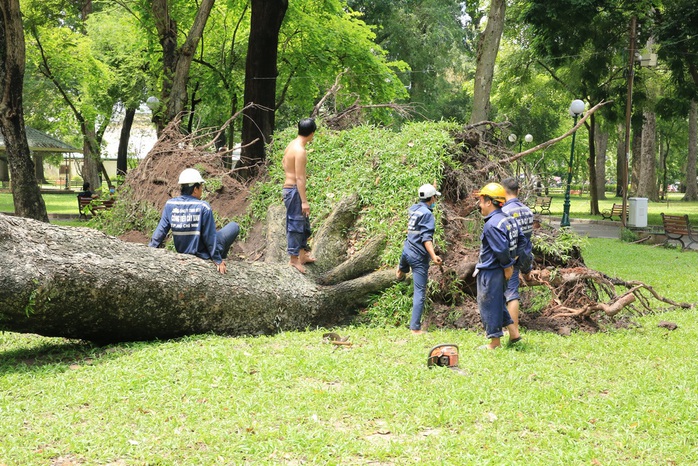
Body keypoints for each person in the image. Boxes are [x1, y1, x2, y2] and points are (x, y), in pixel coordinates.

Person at [148, 168, 240, 275]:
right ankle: (222, 259)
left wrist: (150, 250)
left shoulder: (170, 205)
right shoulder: (203, 207)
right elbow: (209, 237)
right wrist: (217, 260)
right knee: (234, 226)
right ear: (195, 189)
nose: (202, 190)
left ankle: (222, 257)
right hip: (203, 254)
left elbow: (160, 232)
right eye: (201, 187)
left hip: (183, 252)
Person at [474, 182, 523, 349]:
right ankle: (514, 334)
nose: (479, 205)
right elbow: (522, 240)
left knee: (488, 305)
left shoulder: (491, 224)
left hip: (491, 271)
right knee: (498, 303)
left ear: (489, 202)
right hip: (498, 270)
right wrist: (514, 259)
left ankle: (494, 343)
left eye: (481, 201)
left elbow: (501, 249)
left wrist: (508, 265)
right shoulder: (508, 219)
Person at [396, 183, 443, 334]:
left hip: (406, 251)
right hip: (417, 257)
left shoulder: (414, 209)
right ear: (432, 198)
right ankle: (415, 328)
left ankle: (401, 270)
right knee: (420, 292)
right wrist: (433, 255)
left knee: (404, 264)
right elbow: (426, 239)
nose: (436, 200)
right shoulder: (428, 215)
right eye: (435, 197)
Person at [282, 118, 317, 273]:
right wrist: (304, 201)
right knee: (296, 223)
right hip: (294, 190)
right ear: (312, 133)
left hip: (291, 189)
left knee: (303, 223)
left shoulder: (292, 144)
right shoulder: (300, 151)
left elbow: (284, 162)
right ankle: (294, 259)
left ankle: (302, 255)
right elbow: (300, 178)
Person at [500, 177, 534, 337]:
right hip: (522, 257)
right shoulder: (528, 211)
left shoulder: (503, 212)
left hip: (508, 259)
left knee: (509, 294)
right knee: (511, 292)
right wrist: (528, 267)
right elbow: (527, 241)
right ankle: (511, 330)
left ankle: (510, 331)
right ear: (518, 191)